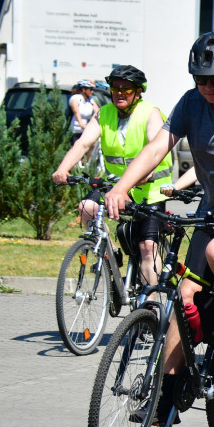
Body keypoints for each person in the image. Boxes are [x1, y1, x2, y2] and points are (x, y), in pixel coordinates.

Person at [104, 32, 214, 426]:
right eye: (200, 80)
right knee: (185, 297)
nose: (208, 88)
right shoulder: (190, 103)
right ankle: (168, 394)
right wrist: (121, 187)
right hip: (212, 208)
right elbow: (157, 148)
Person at [53, 65, 171, 288]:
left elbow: (157, 150)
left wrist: (143, 176)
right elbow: (83, 143)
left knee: (147, 247)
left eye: (126, 90)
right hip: (116, 186)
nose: (119, 93)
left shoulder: (150, 113)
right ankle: (109, 255)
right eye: (115, 88)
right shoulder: (105, 113)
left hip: (151, 189)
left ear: (138, 92)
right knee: (87, 207)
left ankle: (150, 306)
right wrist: (63, 169)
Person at [68, 79, 100, 144]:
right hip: (75, 131)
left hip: (85, 131)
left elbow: (97, 112)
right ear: (83, 90)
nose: (92, 91)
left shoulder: (90, 100)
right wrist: (82, 125)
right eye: (90, 89)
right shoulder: (76, 98)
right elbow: (76, 112)